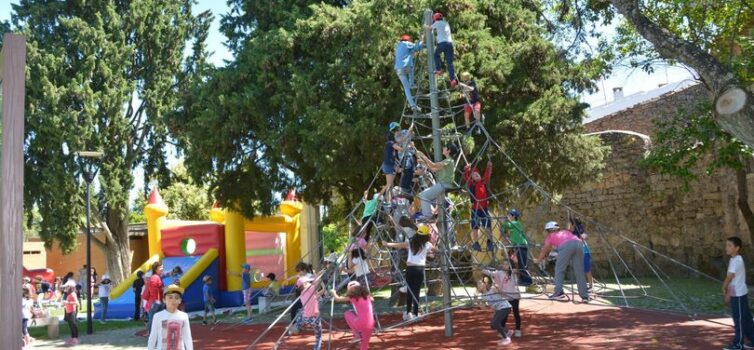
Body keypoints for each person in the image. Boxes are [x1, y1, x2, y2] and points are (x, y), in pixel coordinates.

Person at [384, 223, 435, 320]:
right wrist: (431, 253)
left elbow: (399, 245)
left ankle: (408, 312)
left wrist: (387, 244)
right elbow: (435, 250)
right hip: (419, 269)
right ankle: (415, 313)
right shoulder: (427, 244)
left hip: (410, 269)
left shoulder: (410, 242)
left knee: (410, 290)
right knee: (416, 291)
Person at [533, 221, 589, 302]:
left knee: (559, 270)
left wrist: (538, 260)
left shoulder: (550, 236)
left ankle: (558, 292)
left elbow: (544, 250)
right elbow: (548, 251)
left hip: (566, 246)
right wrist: (546, 255)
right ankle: (585, 296)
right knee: (579, 271)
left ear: (549, 230)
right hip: (578, 244)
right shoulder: (565, 232)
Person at [723, 237, 754, 350]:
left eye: (729, 245)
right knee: (746, 318)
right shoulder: (734, 259)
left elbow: (729, 278)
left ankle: (738, 344)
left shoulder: (737, 261)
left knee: (739, 319)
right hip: (738, 294)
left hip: (739, 295)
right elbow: (733, 281)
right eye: (726, 245)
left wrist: (724, 287)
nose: (727, 248)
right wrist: (728, 294)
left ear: (737, 248)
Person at [416, 144, 458, 220]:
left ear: (449, 150)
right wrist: (424, 162)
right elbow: (434, 169)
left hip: (444, 184)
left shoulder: (449, 161)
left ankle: (427, 216)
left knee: (423, 195)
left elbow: (433, 165)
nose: (443, 148)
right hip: (443, 184)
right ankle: (429, 215)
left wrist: (423, 155)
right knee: (423, 195)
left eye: (445, 147)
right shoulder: (447, 161)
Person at [330, 281, 375, 350]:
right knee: (364, 345)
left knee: (347, 313)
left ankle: (357, 335)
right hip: (370, 324)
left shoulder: (353, 298)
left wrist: (333, 292)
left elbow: (337, 299)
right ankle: (359, 337)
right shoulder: (367, 296)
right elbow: (372, 299)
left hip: (360, 323)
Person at [147, 284, 193, 350]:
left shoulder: (184, 316)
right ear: (164, 300)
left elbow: (187, 337)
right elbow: (153, 337)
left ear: (180, 301)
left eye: (176, 298)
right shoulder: (157, 316)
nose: (173, 300)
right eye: (170, 297)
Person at [485, 259, 523, 337]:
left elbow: (520, 275)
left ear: (510, 265)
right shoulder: (500, 273)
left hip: (514, 296)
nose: (505, 266)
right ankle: (503, 330)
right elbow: (490, 273)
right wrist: (482, 269)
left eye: (507, 264)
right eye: (503, 264)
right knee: (504, 314)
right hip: (505, 297)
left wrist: (516, 271)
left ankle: (518, 330)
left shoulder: (513, 273)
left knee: (516, 313)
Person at [463, 161, 494, 252]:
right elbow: (466, 177)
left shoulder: (483, 182)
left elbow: (487, 174)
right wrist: (467, 169)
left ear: (480, 175)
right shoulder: (471, 184)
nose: (475, 175)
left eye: (477, 174)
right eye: (473, 175)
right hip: (475, 209)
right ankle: (476, 243)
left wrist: (489, 166)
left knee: (487, 226)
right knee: (475, 227)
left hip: (484, 208)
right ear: (472, 178)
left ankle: (489, 241)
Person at [476, 276, 512, 346]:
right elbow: (483, 308)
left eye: (480, 283)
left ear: (485, 284)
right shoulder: (483, 296)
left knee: (495, 323)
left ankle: (506, 338)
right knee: (493, 326)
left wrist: (497, 288)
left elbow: (502, 294)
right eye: (478, 284)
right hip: (499, 309)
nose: (479, 285)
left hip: (505, 307)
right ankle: (507, 332)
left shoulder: (492, 289)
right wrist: (477, 301)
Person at [394, 34, 424, 112]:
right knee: (411, 67)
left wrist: (412, 51)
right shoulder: (407, 43)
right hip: (406, 67)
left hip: (398, 70)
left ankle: (413, 106)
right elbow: (417, 47)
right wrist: (423, 40)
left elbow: (410, 51)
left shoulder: (398, 46)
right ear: (408, 40)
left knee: (406, 89)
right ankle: (412, 83)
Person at [294, 273, 324, 350]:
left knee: (300, 311)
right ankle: (317, 348)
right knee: (318, 335)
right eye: (307, 282)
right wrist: (317, 276)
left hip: (306, 318)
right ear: (304, 284)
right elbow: (317, 283)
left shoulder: (301, 294)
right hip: (314, 318)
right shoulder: (311, 289)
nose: (310, 283)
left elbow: (316, 295)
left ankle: (297, 326)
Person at [503, 209, 532, 286]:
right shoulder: (513, 225)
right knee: (513, 263)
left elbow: (506, 225)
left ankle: (527, 280)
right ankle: (517, 279)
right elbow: (505, 229)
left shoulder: (516, 223)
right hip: (516, 246)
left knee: (522, 264)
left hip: (521, 246)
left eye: (509, 215)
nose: (508, 217)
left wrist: (503, 221)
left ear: (513, 216)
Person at [429, 12, 457, 87]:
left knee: (436, 55)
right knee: (449, 63)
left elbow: (429, 28)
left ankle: (439, 69)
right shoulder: (446, 23)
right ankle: (452, 79)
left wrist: (424, 25)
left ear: (435, 19)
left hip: (442, 43)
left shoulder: (437, 23)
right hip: (449, 44)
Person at [568, 217, 593, 290]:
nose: (569, 225)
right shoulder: (571, 232)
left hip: (584, 251)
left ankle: (590, 286)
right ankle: (583, 285)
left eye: (570, 223)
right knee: (580, 270)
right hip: (578, 252)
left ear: (573, 224)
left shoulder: (579, 230)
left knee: (586, 269)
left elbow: (583, 236)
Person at [290, 262, 314, 333]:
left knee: (295, 308)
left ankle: (295, 325)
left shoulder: (309, 276)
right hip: (301, 297)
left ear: (304, 270)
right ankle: (295, 325)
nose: (298, 273)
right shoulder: (301, 276)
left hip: (307, 298)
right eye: (297, 271)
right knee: (294, 308)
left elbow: (313, 281)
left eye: (299, 271)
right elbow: (294, 277)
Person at [380, 127, 402, 202]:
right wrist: (405, 148)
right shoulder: (390, 143)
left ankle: (389, 200)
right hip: (388, 165)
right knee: (389, 185)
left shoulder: (390, 145)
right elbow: (398, 148)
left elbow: (398, 143)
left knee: (390, 184)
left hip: (389, 165)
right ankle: (386, 200)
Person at [145, 261, 166, 335]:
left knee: (157, 319)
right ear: (156, 268)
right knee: (153, 319)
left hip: (157, 301)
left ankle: (156, 335)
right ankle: (152, 336)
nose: (162, 268)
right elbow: (153, 290)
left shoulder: (157, 277)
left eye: (162, 267)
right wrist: (163, 289)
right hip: (155, 302)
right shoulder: (154, 277)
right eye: (161, 267)